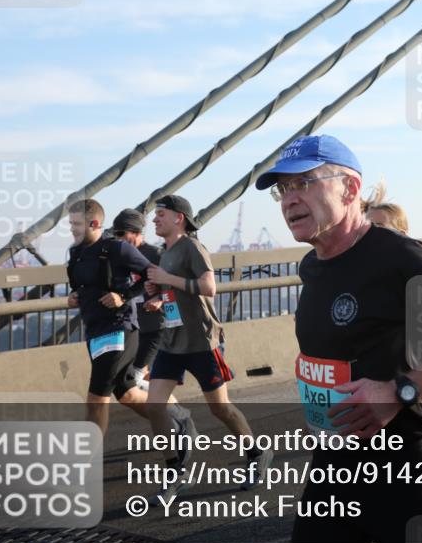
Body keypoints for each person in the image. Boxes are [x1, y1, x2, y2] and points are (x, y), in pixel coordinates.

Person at [255, 134, 422, 543]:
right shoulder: (311, 267)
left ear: (350, 189)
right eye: (283, 189)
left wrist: (398, 391)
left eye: (304, 183)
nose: (289, 199)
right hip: (333, 465)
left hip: (404, 471)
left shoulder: (403, 258)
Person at [142, 194, 271, 499]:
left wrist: (167, 279)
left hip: (202, 341)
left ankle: (256, 453)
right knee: (153, 406)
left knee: (220, 408)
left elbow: (209, 287)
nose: (155, 219)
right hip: (172, 342)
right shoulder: (165, 252)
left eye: (161, 214)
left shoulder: (192, 247)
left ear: (179, 218)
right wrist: (158, 294)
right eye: (155, 214)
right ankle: (175, 470)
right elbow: (175, 293)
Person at [65, 199, 193, 440]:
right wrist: (74, 296)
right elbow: (80, 286)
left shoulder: (117, 249)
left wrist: (124, 296)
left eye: (76, 224)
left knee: (96, 401)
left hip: (121, 330)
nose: (72, 229)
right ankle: (177, 425)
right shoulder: (76, 253)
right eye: (70, 223)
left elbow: (154, 275)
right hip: (94, 330)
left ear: (94, 224)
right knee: (128, 395)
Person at [361, 182, 422, 463]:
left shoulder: (417, 275)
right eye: (369, 227)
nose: (373, 235)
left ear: (402, 234)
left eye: (381, 227)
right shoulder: (362, 273)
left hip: (410, 387)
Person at [111, 208, 167, 382]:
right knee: (139, 380)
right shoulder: (117, 254)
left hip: (155, 327)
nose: (118, 238)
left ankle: (172, 410)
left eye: (121, 233)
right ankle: (167, 409)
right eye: (115, 234)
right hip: (132, 328)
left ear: (136, 232)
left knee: (135, 377)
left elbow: (175, 285)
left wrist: (160, 299)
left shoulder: (156, 255)